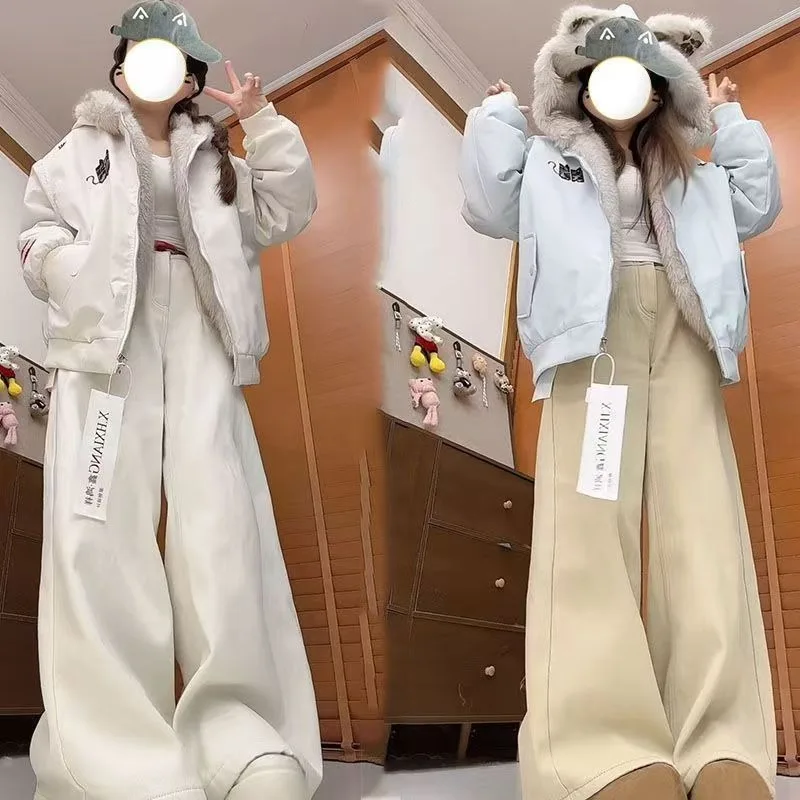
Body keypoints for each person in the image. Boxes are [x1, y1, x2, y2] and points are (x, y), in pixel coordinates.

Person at [460, 6, 781, 800]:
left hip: (685, 331)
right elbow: (488, 207)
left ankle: (722, 744)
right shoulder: (547, 160)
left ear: (658, 88)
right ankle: (599, 752)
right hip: (588, 338)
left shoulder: (692, 172)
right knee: (585, 533)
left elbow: (759, 204)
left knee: (703, 528)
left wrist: (729, 119)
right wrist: (497, 118)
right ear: (579, 82)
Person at [18, 3, 322, 799]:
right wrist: (68, 272)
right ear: (120, 68)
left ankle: (239, 734)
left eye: (175, 60)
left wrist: (263, 120)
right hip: (106, 341)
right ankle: (107, 750)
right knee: (98, 526)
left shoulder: (218, 161)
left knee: (221, 522)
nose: (156, 71)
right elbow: (36, 236)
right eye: (141, 54)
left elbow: (288, 211)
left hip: (201, 331)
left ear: (191, 81)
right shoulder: (75, 150)